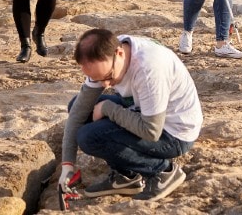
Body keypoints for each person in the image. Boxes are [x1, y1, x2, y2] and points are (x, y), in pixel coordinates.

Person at [58, 28, 203, 202]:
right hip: (143, 112)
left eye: (108, 77)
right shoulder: (105, 56)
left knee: (89, 137)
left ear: (119, 53)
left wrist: (109, 109)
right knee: (77, 106)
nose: (105, 84)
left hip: (174, 133)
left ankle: (162, 172)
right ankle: (126, 177)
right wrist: (67, 165)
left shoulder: (148, 69)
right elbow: (78, 113)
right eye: (97, 79)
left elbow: (151, 131)